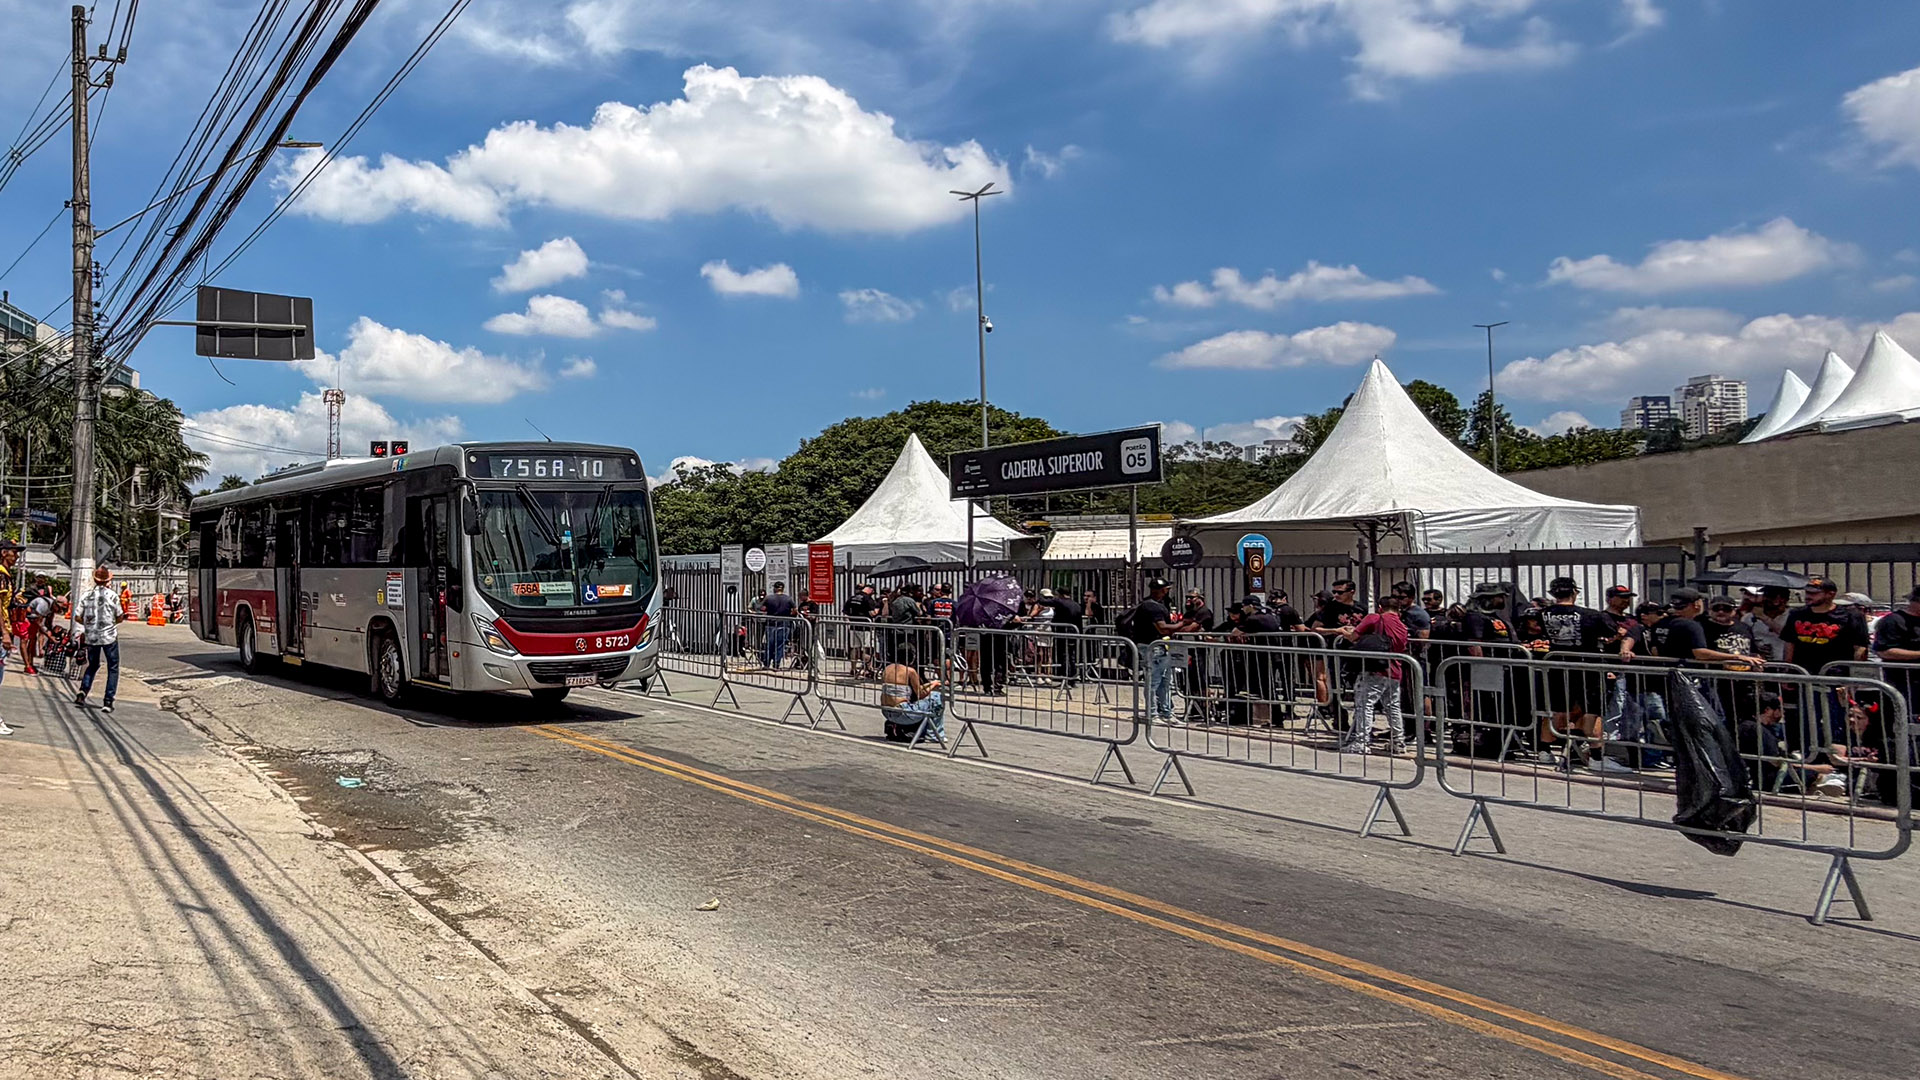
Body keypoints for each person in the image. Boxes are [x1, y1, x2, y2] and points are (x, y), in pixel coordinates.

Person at [1535, 577, 1625, 773]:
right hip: (1587, 668)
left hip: (1557, 665)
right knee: (1593, 712)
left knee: (1556, 709)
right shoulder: (1590, 615)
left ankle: (1544, 751)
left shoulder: (1543, 614)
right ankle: (1596, 757)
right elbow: (1613, 632)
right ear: (1574, 591)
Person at [1782, 576, 1870, 748]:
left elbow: (1860, 649)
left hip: (1836, 678)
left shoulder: (1850, 616)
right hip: (1805, 676)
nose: (1809, 596)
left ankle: (1837, 757)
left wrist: (1853, 680)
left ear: (1830, 594)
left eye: (1814, 593)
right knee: (1806, 720)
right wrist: (1788, 672)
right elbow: (1789, 643)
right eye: (1807, 592)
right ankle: (1810, 756)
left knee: (1837, 720)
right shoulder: (1797, 614)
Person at [1336, 597, 1408, 754]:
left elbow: (1354, 636)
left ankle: (1361, 742)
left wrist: (1344, 632)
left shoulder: (1375, 618)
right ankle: (1399, 742)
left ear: (1380, 607)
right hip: (1395, 670)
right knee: (1393, 706)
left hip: (1376, 668)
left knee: (1364, 704)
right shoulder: (1403, 626)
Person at [1739, 693, 1837, 795]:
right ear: (1768, 710)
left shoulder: (1755, 727)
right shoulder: (1755, 730)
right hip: (1767, 778)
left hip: (1769, 773)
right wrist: (1816, 768)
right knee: (1813, 774)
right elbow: (1777, 762)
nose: (1783, 712)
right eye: (1779, 709)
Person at [1126, 578, 1191, 723]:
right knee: (1154, 681)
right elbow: (1162, 628)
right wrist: (1182, 624)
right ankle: (1152, 713)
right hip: (1152, 648)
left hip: (1159, 647)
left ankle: (1166, 713)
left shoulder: (1154, 605)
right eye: (1167, 589)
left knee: (1166, 682)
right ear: (1163, 590)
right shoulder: (1152, 607)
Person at [73, 566, 127, 713]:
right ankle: (108, 701)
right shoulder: (113, 596)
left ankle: (83, 691)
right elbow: (120, 616)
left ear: (95, 580)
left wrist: (88, 625)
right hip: (109, 637)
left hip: (92, 637)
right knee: (113, 668)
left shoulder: (86, 595)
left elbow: (77, 616)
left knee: (93, 664)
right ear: (108, 580)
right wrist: (111, 623)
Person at [879, 646, 946, 744]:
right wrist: (934, 685)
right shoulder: (909, 671)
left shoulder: (887, 669)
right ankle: (934, 735)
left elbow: (904, 689)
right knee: (936, 697)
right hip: (903, 713)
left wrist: (931, 683)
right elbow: (920, 694)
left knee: (928, 698)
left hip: (887, 711)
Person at [1742, 586, 1793, 663]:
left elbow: (1788, 635)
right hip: (1758, 661)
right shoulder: (1749, 617)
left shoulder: (1792, 616)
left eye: (1772, 596)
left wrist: (1764, 618)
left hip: (1782, 661)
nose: (1767, 599)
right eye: (1765, 596)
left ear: (1784, 599)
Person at [1043, 587, 1083, 683]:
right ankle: (1072, 677)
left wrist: (1046, 596)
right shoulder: (1076, 604)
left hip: (1063, 632)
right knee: (1071, 656)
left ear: (1060, 594)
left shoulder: (1060, 601)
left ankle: (1066, 676)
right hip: (1074, 633)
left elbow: (1043, 602)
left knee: (1064, 656)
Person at [0, 540, 17, 735]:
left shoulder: (6, 576)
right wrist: (5, 632)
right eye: (14, 552)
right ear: (4, 553)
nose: (17, 556)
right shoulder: (1, 575)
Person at [761, 581, 796, 668]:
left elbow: (763, 608)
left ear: (775, 588)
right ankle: (776, 664)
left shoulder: (769, 598)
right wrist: (790, 614)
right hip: (784, 623)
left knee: (769, 644)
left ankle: (766, 663)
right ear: (782, 589)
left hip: (771, 623)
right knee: (780, 645)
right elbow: (795, 610)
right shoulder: (789, 599)